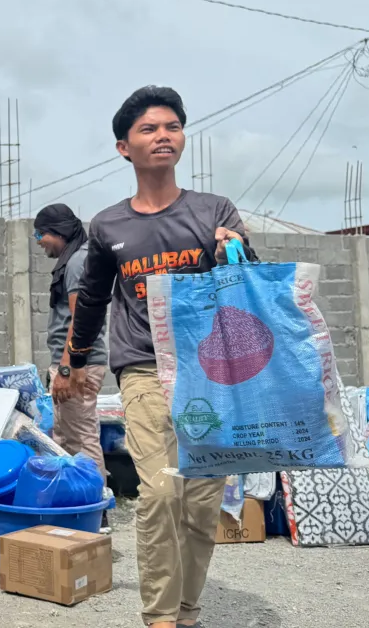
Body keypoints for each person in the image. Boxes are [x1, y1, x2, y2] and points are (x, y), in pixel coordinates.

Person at [66, 86, 255, 628]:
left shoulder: (213, 210)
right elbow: (95, 299)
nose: (163, 136)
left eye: (172, 127)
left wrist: (231, 248)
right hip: (143, 367)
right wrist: (74, 362)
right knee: (159, 494)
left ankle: (188, 610)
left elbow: (248, 282)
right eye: (149, 129)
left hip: (211, 371)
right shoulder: (108, 226)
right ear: (124, 147)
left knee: (199, 505)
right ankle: (160, 619)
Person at [35, 203, 108, 478]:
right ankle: (77, 505)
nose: (40, 242)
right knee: (66, 439)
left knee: (81, 440)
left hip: (78, 365)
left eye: (39, 235)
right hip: (73, 362)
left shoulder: (77, 261)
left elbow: (80, 319)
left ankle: (97, 508)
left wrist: (66, 368)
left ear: (57, 231)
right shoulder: (76, 258)